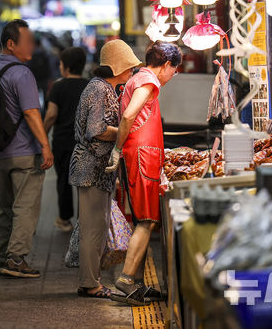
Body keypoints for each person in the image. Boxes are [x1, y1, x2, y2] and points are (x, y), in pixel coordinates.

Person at [107, 41, 182, 306]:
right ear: (166, 65)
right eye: (174, 70)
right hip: (141, 155)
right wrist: (116, 149)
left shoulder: (140, 78)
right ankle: (126, 279)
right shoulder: (148, 82)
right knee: (147, 220)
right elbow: (128, 116)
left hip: (140, 155)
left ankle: (137, 284)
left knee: (142, 218)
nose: (173, 75)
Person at [0, 19, 54, 278]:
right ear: (11, 45)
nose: (31, 45)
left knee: (5, 208)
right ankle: (16, 258)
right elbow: (32, 113)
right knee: (26, 207)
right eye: (26, 41)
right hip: (23, 153)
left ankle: (4, 257)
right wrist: (46, 145)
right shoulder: (22, 73)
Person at [69, 40, 141, 299]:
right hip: (91, 167)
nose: (132, 71)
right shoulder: (100, 89)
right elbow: (96, 130)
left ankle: (91, 280)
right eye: (129, 66)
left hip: (96, 169)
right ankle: (90, 283)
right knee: (93, 228)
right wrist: (126, 133)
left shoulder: (104, 88)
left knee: (95, 226)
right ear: (118, 66)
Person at [43, 47, 89, 232]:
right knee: (84, 183)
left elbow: (51, 115)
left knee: (63, 179)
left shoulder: (59, 86)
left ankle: (64, 219)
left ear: (66, 67)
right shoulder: (89, 85)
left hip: (62, 141)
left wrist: (42, 134)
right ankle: (83, 220)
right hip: (85, 143)